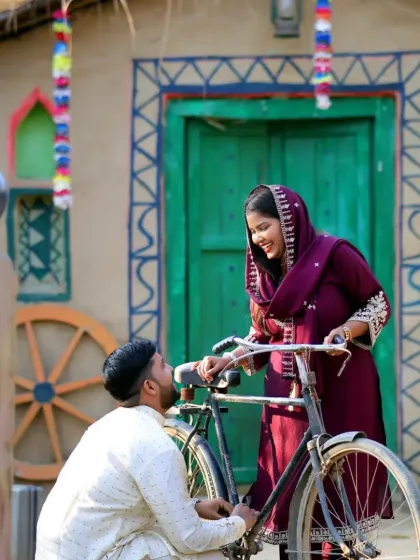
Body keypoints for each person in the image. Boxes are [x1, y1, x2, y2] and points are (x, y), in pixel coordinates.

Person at [195, 185, 390, 558]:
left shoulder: (335, 256)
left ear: (289, 221)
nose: (258, 238)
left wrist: (345, 331)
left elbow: (377, 304)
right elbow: (261, 337)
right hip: (288, 402)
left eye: (264, 227)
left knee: (340, 489)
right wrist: (228, 359)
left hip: (342, 389)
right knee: (293, 496)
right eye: (252, 231)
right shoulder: (265, 278)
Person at [35, 338, 258, 560]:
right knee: (212, 554)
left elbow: (117, 502)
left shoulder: (102, 427)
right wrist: (238, 522)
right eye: (162, 366)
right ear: (149, 387)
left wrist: (194, 507)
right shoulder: (157, 447)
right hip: (95, 553)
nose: (170, 369)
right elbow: (191, 538)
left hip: (59, 551)